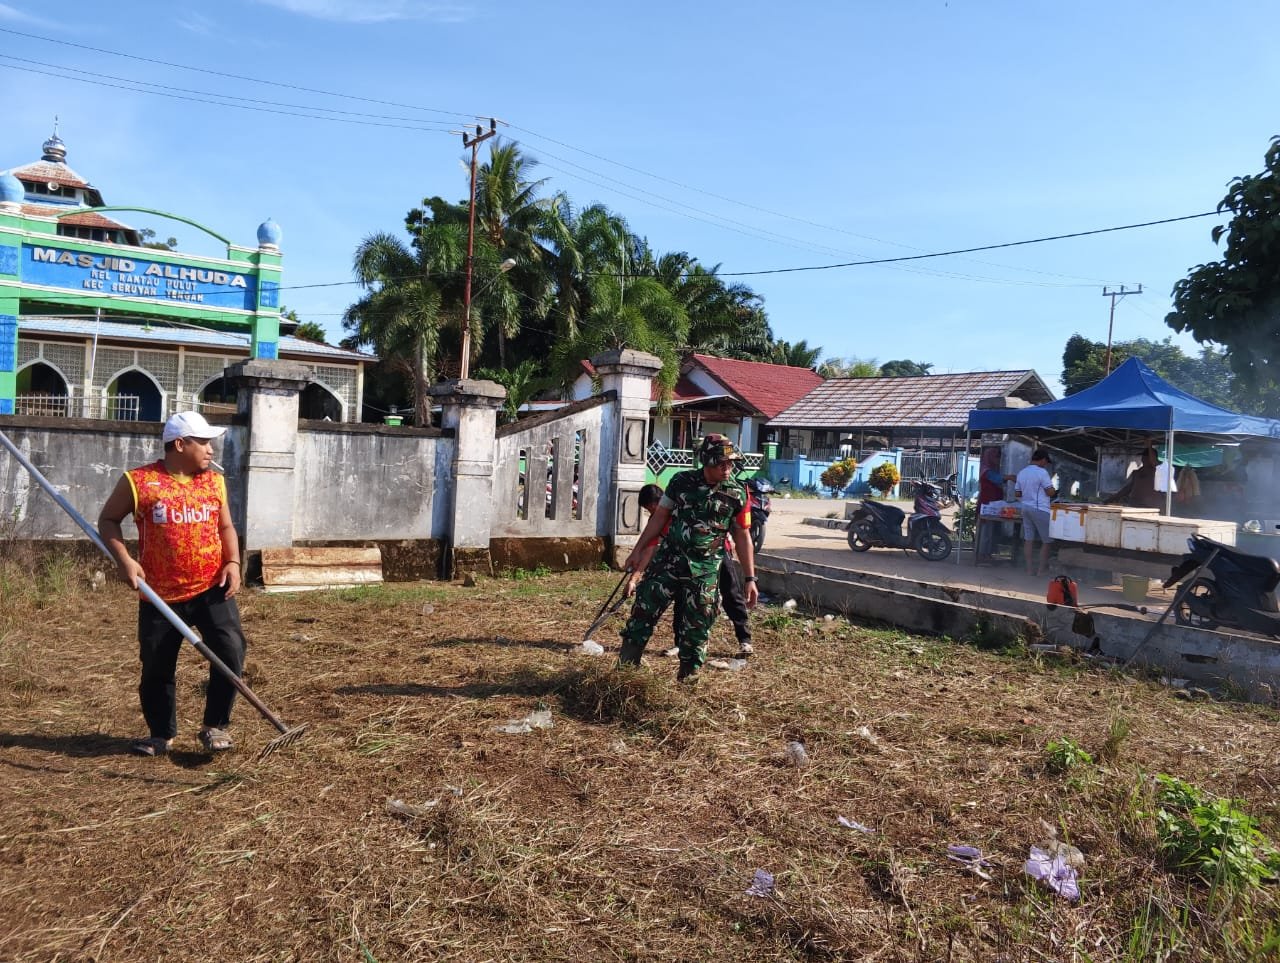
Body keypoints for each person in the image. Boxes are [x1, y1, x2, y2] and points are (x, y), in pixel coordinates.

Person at [98, 411, 247, 756]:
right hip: (159, 596)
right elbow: (108, 520)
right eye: (203, 442)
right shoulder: (139, 481)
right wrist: (124, 560)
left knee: (230, 652)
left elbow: (226, 527)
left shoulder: (214, 482)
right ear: (180, 444)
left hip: (212, 588)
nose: (210, 450)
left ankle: (215, 727)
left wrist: (234, 562)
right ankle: (160, 735)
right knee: (156, 665)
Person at [619, 435, 758, 681]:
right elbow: (659, 517)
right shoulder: (681, 481)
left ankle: (688, 680)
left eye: (730, 463)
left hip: (705, 571)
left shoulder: (737, 492)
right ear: (707, 461)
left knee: (698, 627)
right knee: (643, 611)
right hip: (668, 562)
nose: (727, 468)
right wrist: (637, 550)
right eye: (721, 463)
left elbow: (742, 534)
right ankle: (625, 674)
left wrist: (750, 578)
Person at [629, 481, 754, 658]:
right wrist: (633, 579)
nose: (651, 513)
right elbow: (649, 549)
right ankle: (680, 644)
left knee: (731, 593)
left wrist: (750, 577)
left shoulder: (682, 508)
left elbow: (738, 531)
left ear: (658, 502)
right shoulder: (658, 520)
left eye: (650, 508)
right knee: (682, 598)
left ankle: (744, 640)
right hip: (685, 559)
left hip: (717, 553)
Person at [1015, 448, 1057, 577]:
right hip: (1040, 509)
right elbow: (1050, 492)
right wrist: (1054, 490)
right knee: (1047, 541)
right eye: (1046, 462)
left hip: (1025, 508)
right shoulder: (1042, 472)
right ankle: (1041, 570)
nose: (1046, 464)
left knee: (1029, 539)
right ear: (1043, 460)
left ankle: (1029, 569)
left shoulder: (1022, 472)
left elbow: (1017, 493)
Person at [975, 446, 1014, 563]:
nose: (998, 460)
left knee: (990, 530)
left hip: (992, 504)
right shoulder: (987, 471)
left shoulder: (991, 469)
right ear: (990, 458)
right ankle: (982, 554)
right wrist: (1010, 477)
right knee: (986, 531)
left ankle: (987, 553)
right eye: (997, 458)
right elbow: (997, 479)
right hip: (987, 503)